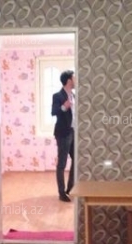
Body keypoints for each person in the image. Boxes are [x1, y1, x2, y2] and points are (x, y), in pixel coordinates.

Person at [51, 70, 76, 202]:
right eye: (74, 78)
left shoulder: (75, 96)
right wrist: (64, 107)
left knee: (76, 160)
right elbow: (53, 111)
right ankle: (61, 193)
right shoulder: (57, 96)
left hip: (73, 132)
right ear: (69, 81)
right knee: (62, 163)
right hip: (63, 133)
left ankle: (70, 188)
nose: (76, 80)